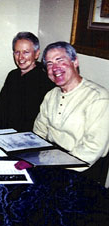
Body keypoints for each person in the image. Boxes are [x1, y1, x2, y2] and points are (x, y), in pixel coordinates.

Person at [33, 41, 109, 181]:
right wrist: (35, 158)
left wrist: (56, 169)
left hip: (82, 169)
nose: (54, 68)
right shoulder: (51, 95)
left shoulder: (98, 97)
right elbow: (39, 131)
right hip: (51, 160)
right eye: (49, 64)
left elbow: (92, 148)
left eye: (59, 60)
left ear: (75, 61)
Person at [0, 32, 55, 132]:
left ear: (37, 54)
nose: (20, 57)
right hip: (4, 130)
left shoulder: (44, 80)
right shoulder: (13, 75)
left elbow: (33, 120)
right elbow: (0, 108)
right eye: (17, 52)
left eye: (26, 52)